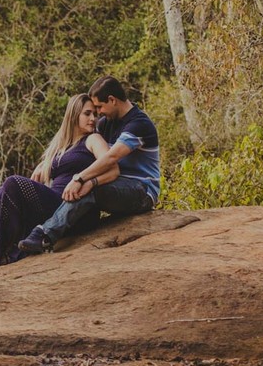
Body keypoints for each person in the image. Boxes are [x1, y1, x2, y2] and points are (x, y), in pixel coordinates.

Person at [0, 93, 120, 277]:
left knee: (13, 182)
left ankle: (0, 252)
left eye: (94, 114)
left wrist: (88, 182)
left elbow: (113, 169)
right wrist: (45, 166)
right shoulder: (61, 146)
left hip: (74, 210)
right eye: (87, 113)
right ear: (73, 115)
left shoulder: (93, 139)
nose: (93, 118)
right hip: (54, 203)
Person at [17, 76, 160, 256]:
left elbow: (111, 157)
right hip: (114, 185)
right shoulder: (106, 123)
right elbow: (77, 143)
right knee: (87, 186)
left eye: (99, 107)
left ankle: (45, 235)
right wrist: (45, 164)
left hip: (141, 191)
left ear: (112, 100)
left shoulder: (139, 124)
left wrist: (79, 178)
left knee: (88, 187)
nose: (97, 113)